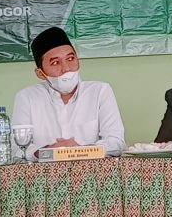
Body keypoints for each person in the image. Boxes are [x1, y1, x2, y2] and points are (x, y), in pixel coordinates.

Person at [11, 27, 126, 159]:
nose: (66, 68)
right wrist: (47, 151)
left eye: (70, 59)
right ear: (40, 73)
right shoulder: (27, 97)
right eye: (55, 62)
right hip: (46, 171)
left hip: (91, 171)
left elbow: (116, 143)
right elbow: (16, 148)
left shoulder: (100, 91)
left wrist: (79, 151)